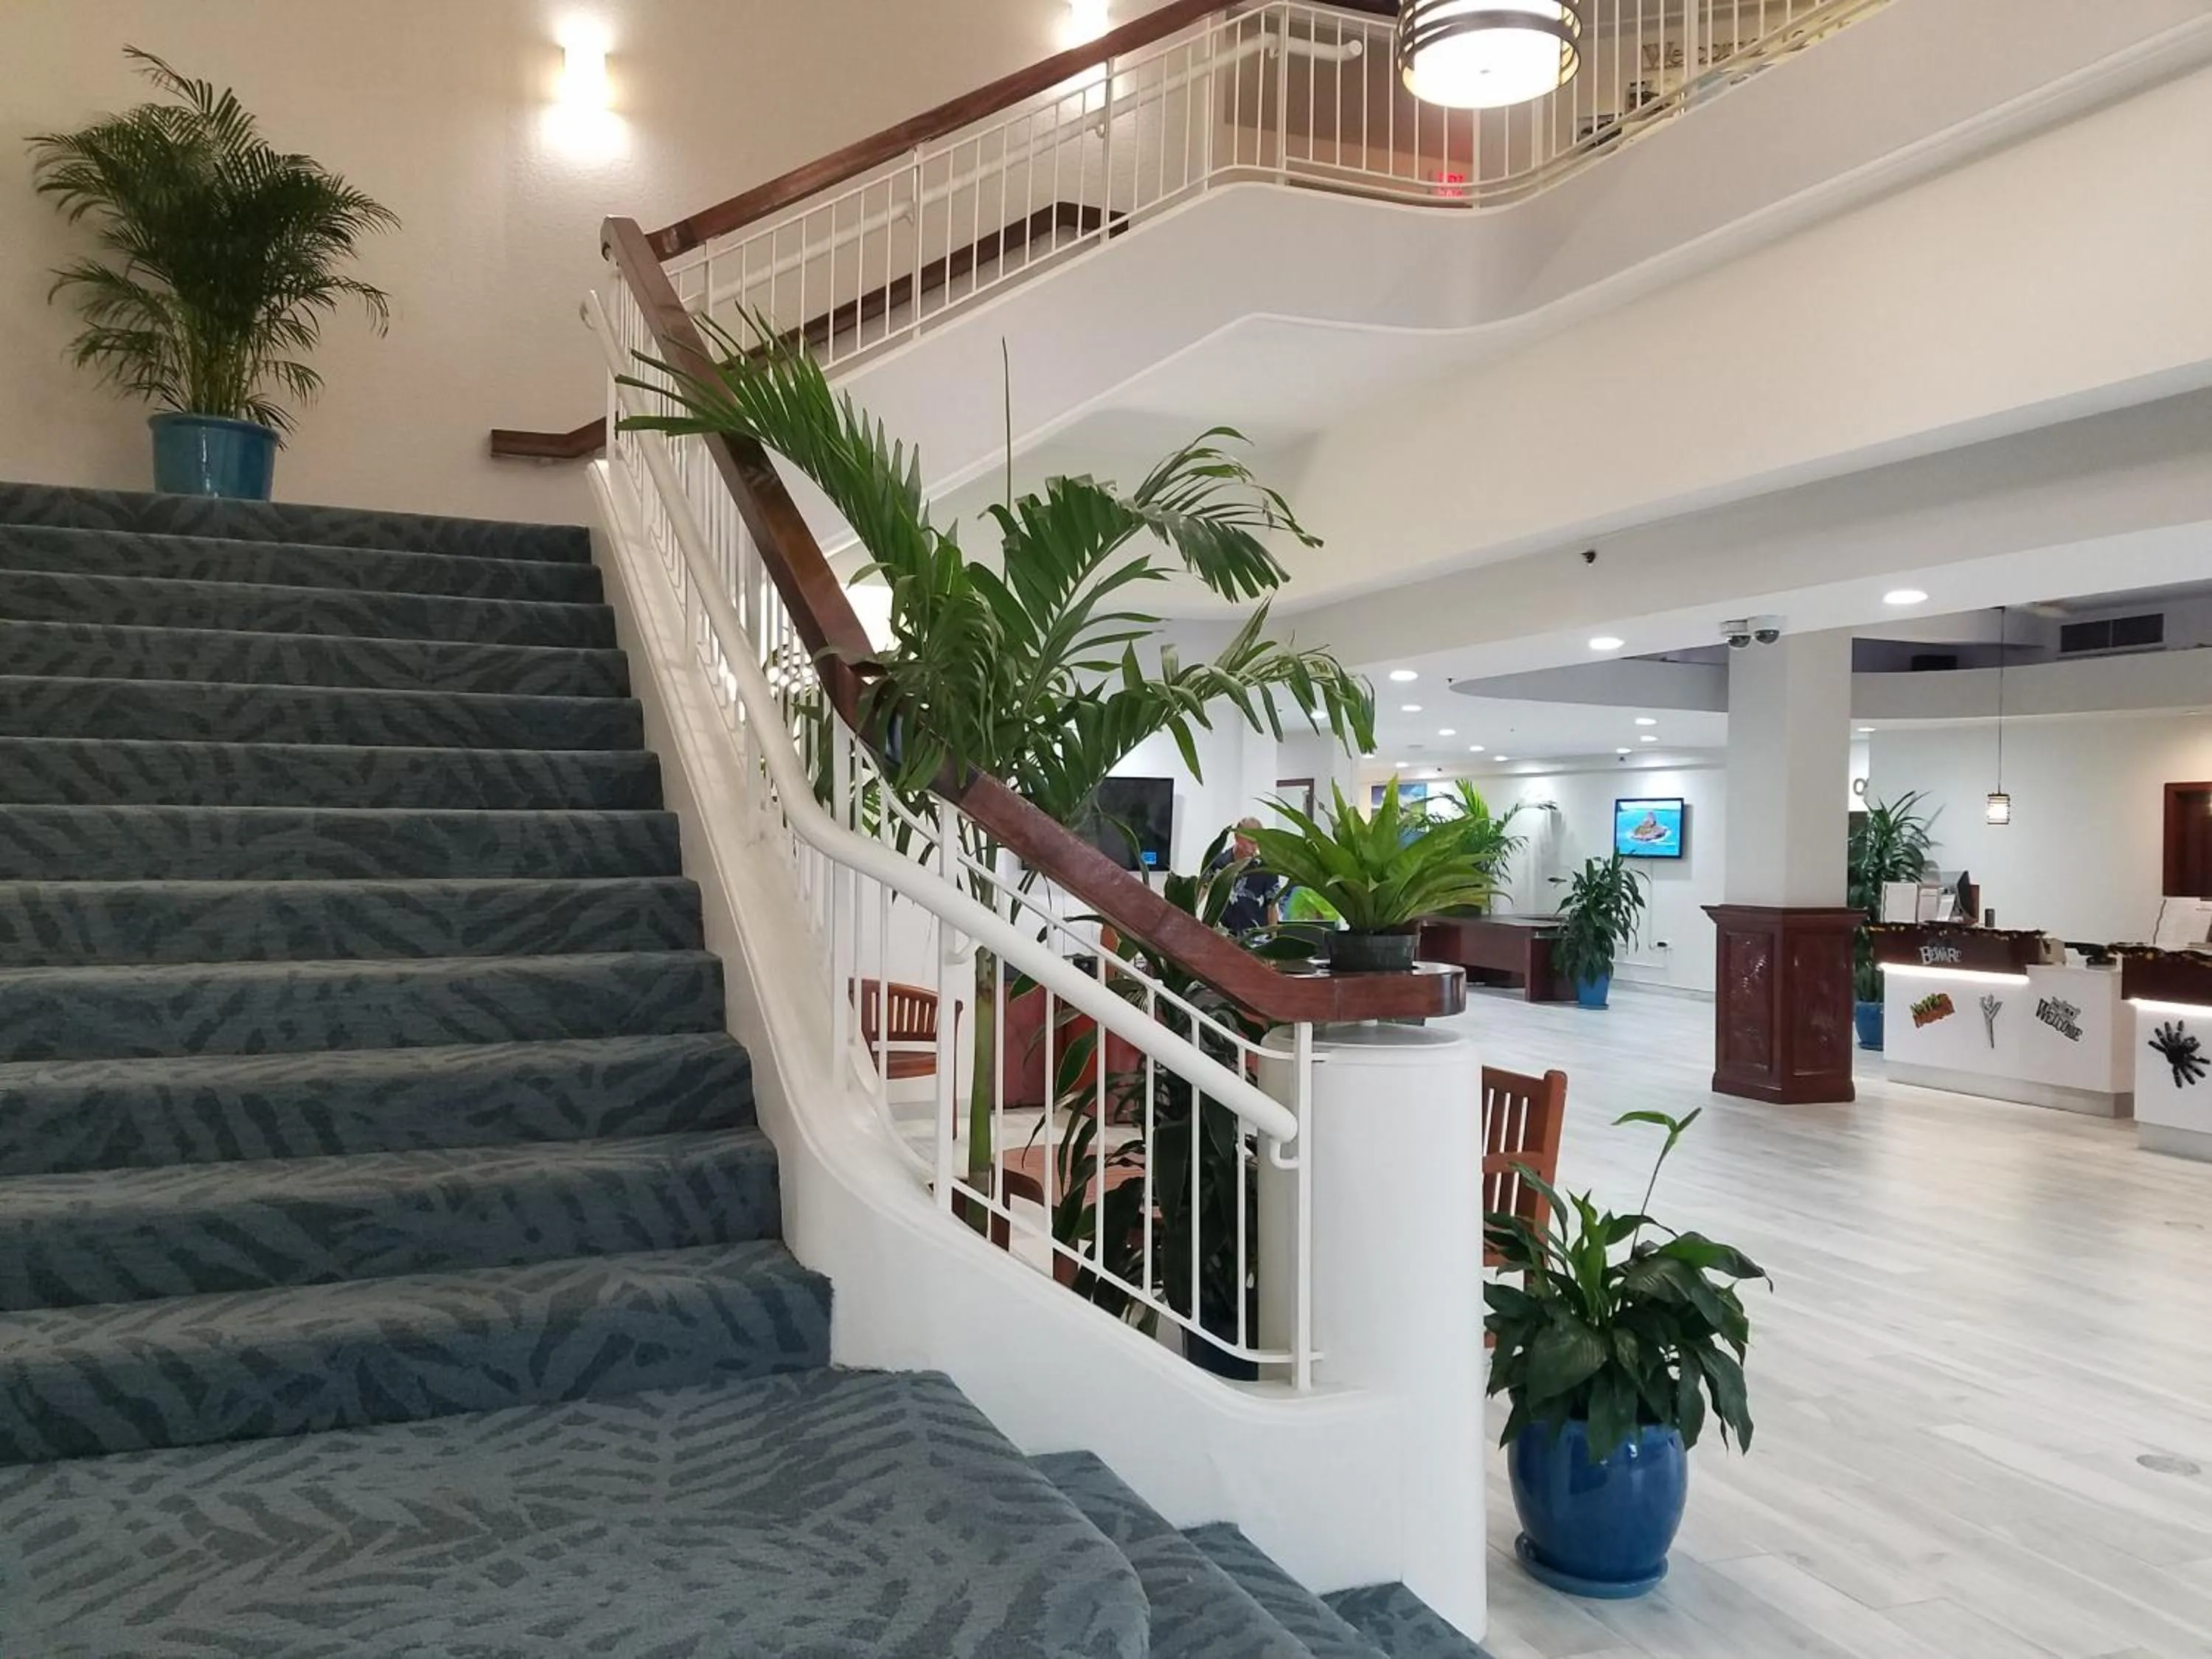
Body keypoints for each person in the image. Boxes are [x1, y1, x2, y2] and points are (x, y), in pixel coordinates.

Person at [1212, 816, 1284, 935]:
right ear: (1237, 837)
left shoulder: (1266, 868)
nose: (1255, 848)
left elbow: (1272, 907)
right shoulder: (1219, 863)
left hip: (1256, 940)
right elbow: (1204, 890)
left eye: (1258, 843)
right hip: (1223, 938)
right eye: (1251, 842)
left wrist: (1274, 940)